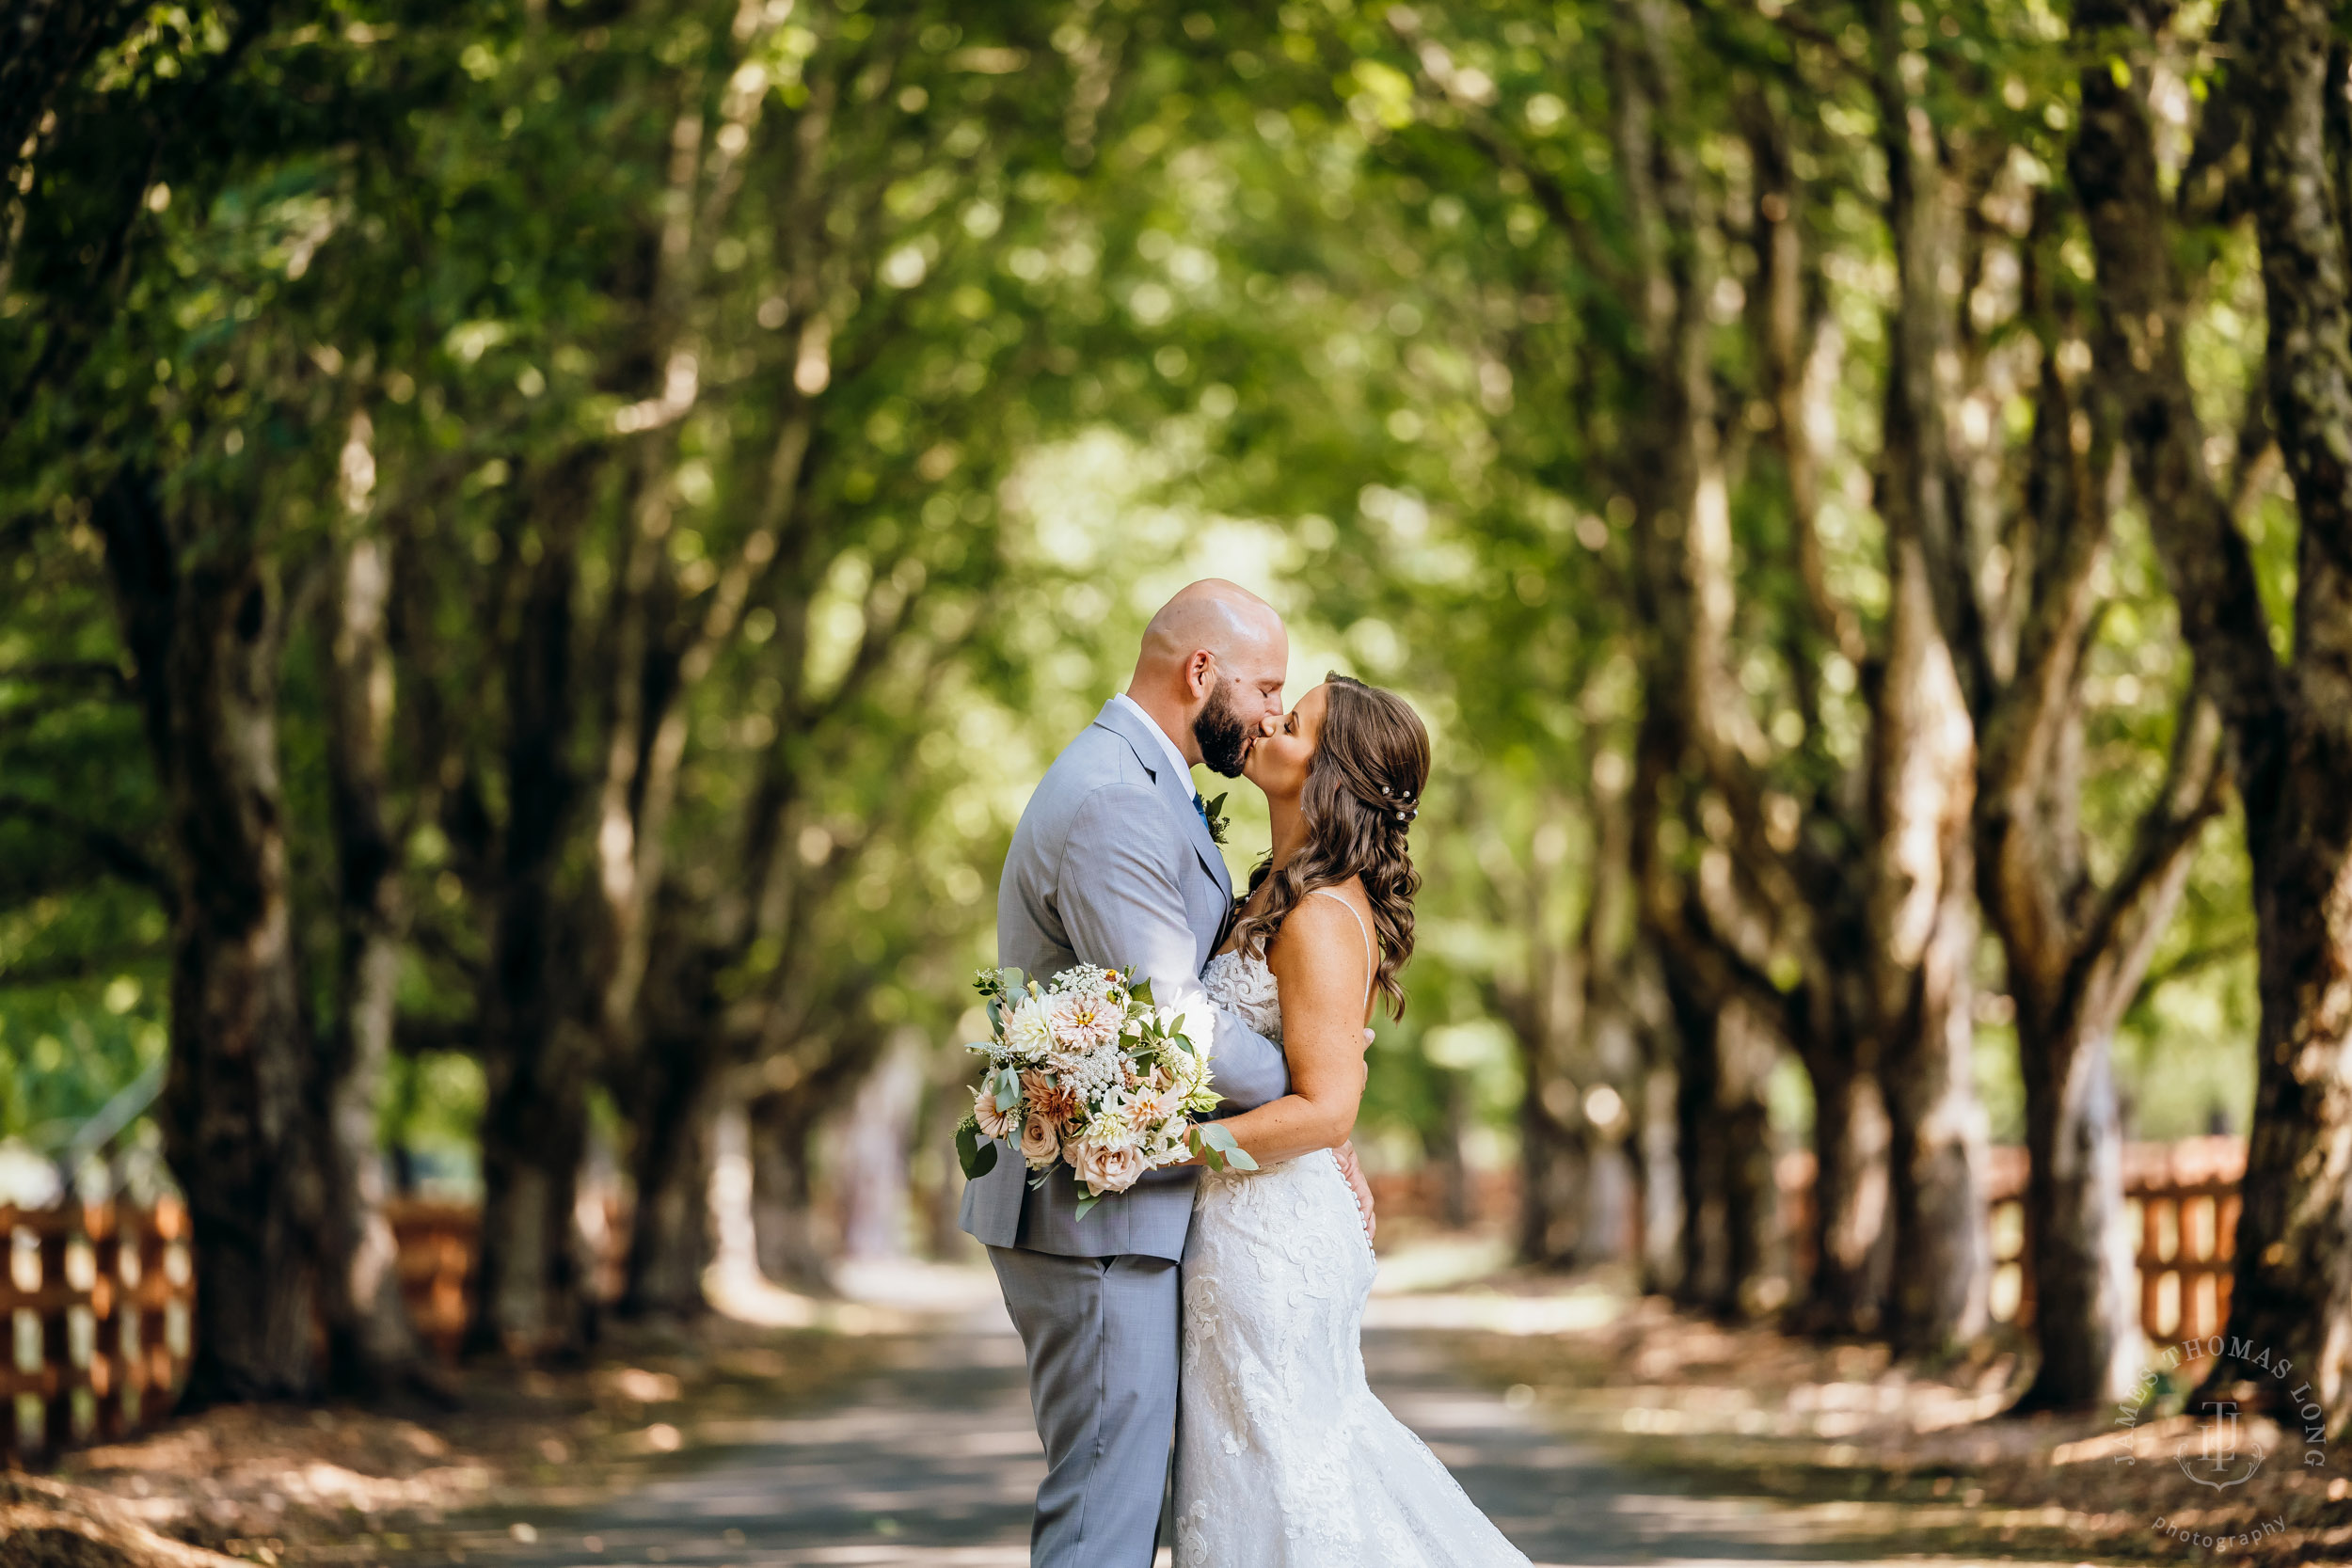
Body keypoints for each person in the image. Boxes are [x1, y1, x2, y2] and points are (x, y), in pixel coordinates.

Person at [961, 579, 1376, 1568]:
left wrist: (1318, 1101)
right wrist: (1314, 1087)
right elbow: (1176, 1022)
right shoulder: (1115, 797)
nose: (1273, 709)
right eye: (1267, 684)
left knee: (1133, 1503)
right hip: (1094, 1210)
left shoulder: (1149, 782)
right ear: (1202, 672)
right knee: (1104, 1518)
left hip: (1139, 1203)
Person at [1173, 673, 1532, 1566]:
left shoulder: (1323, 915)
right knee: (1259, 1477)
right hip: (1253, 1220)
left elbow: (1328, 1105)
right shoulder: (1278, 892)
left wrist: (1168, 1147)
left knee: (1289, 1478)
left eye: (1290, 723)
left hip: (1271, 1242)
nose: (1265, 721)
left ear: (1329, 776)